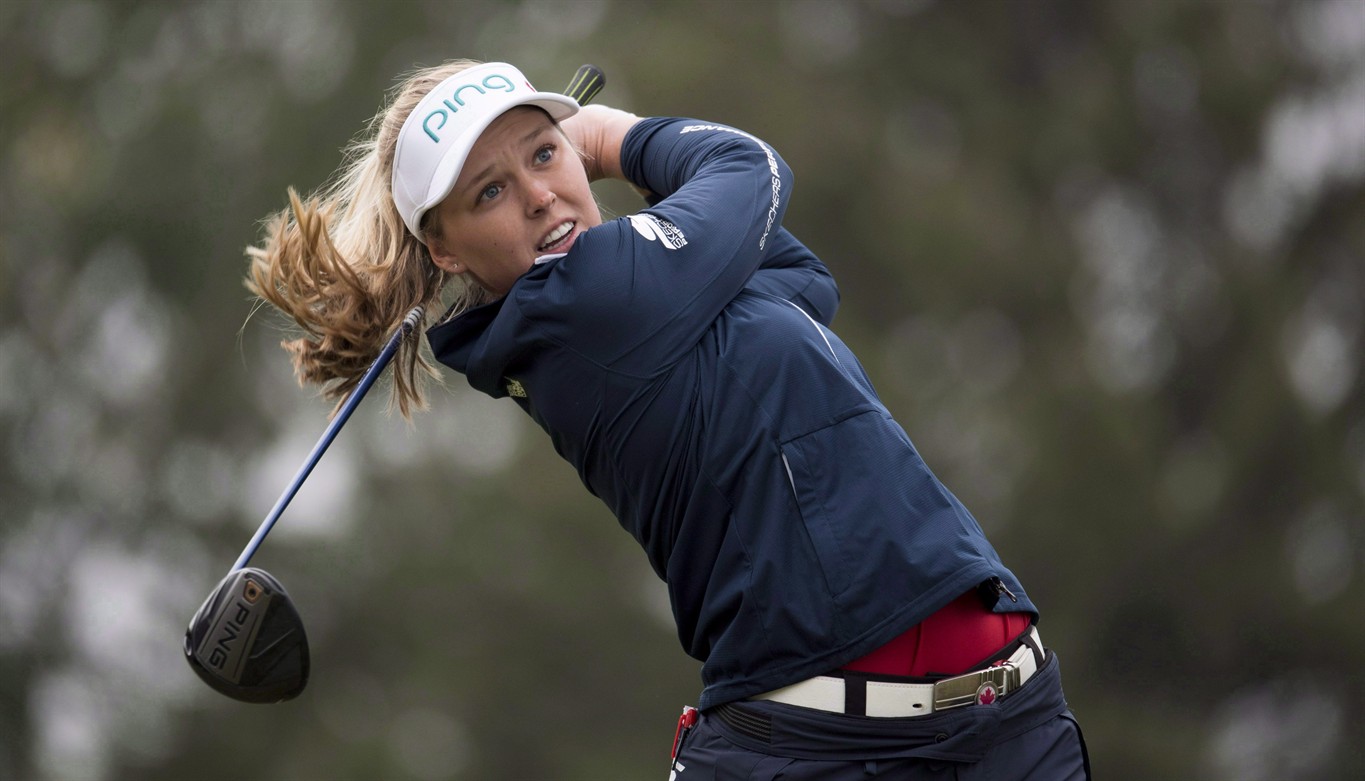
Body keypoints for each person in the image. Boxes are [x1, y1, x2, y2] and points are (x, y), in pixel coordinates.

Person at [246, 59, 1091, 779]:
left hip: (1005, 728)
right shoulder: (578, 304)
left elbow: (802, 281)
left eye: (546, 154)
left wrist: (691, 244)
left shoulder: (642, 291)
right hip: (823, 749)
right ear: (446, 249)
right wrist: (610, 139)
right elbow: (749, 169)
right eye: (492, 191)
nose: (541, 196)